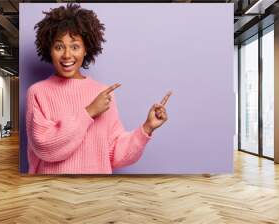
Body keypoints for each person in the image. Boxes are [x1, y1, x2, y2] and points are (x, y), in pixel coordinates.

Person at [26, 3, 171, 174]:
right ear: (49, 50)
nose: (66, 55)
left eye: (75, 46)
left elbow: (115, 154)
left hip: (97, 193)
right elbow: (45, 147)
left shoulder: (103, 94)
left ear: (86, 49)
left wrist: (147, 127)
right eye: (59, 47)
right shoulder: (38, 92)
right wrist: (89, 112)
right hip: (53, 193)